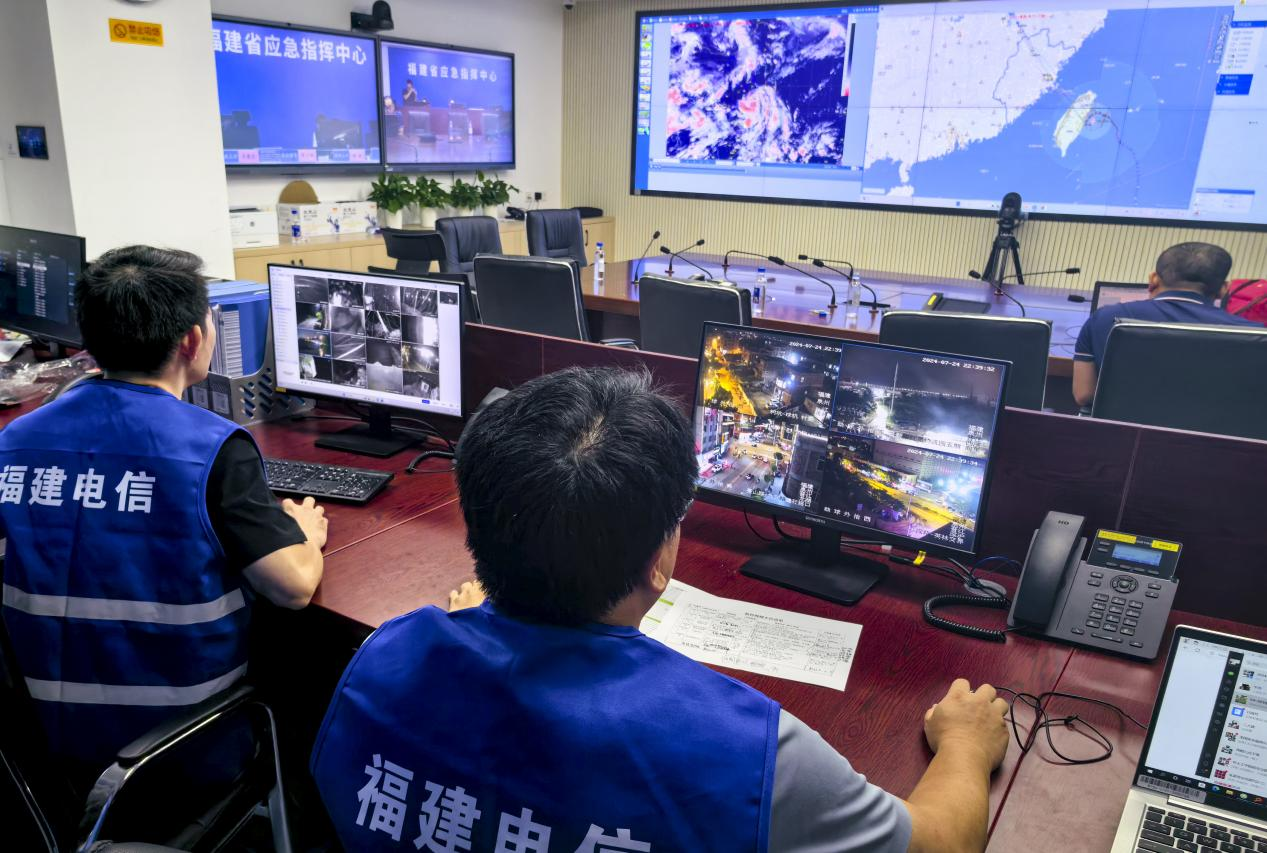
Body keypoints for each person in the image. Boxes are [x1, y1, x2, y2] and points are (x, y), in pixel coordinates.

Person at [310, 367, 1009, 852]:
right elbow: (940, 845)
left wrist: (474, 622)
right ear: (659, 560)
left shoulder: (387, 652)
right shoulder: (751, 752)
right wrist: (967, 745)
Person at [0, 245, 328, 774]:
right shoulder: (211, 447)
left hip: (36, 745)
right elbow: (293, 588)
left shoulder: (15, 439)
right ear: (193, 340)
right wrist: (304, 533)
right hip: (172, 751)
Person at [1073, 242, 1258, 407]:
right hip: (1211, 435)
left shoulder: (1104, 318)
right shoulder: (1255, 335)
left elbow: (1084, 394)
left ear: (1153, 278)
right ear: (1223, 289)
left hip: (1119, 433)